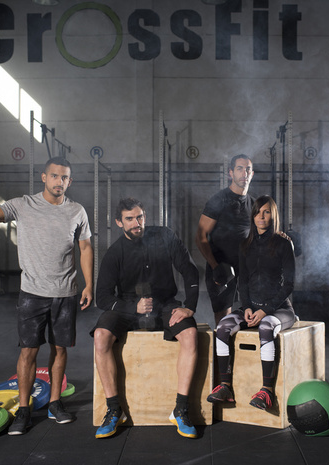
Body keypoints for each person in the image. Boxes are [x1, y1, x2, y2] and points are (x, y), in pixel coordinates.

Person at [0, 157, 93, 436]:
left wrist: (89, 285)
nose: (59, 182)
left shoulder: (77, 211)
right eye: (54, 176)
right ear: (43, 177)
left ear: (69, 181)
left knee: (60, 349)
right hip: (32, 293)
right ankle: (24, 410)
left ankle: (54, 403)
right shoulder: (22, 205)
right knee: (28, 351)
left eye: (64, 178)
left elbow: (85, 248)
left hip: (65, 292)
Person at [91, 198, 200, 439]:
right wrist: (133, 307)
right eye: (129, 219)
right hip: (129, 308)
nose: (136, 223)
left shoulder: (164, 236)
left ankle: (180, 410)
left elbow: (189, 269)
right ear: (119, 222)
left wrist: (189, 307)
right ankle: (114, 409)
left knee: (191, 334)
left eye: (139, 217)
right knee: (100, 335)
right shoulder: (115, 252)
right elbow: (102, 297)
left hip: (164, 304)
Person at [206, 195, 296, 411]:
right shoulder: (245, 245)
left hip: (280, 309)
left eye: (266, 212)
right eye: (257, 212)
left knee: (266, 327)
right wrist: (246, 306)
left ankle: (266, 392)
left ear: (272, 215)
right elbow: (242, 280)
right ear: (252, 216)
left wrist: (266, 310)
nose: (261, 217)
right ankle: (225, 386)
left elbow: (289, 285)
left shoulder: (284, 244)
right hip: (252, 307)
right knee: (223, 327)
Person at [196, 154, 255, 325]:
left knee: (253, 314)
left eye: (248, 169)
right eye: (239, 168)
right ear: (231, 173)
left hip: (246, 269)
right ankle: (223, 352)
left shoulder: (253, 204)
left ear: (252, 174)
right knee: (223, 319)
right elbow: (200, 237)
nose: (244, 173)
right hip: (222, 268)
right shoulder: (219, 200)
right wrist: (215, 267)